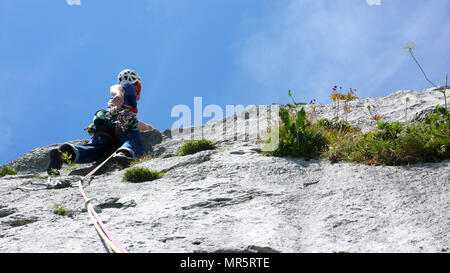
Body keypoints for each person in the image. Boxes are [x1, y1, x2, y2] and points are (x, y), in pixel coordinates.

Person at [47, 69, 154, 175]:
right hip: (122, 118)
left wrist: (149, 128)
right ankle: (123, 154)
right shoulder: (129, 87)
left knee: (96, 149)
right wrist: (118, 94)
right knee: (132, 138)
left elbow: (137, 124)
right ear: (137, 85)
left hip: (104, 123)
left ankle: (64, 154)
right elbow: (117, 88)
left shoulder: (121, 102)